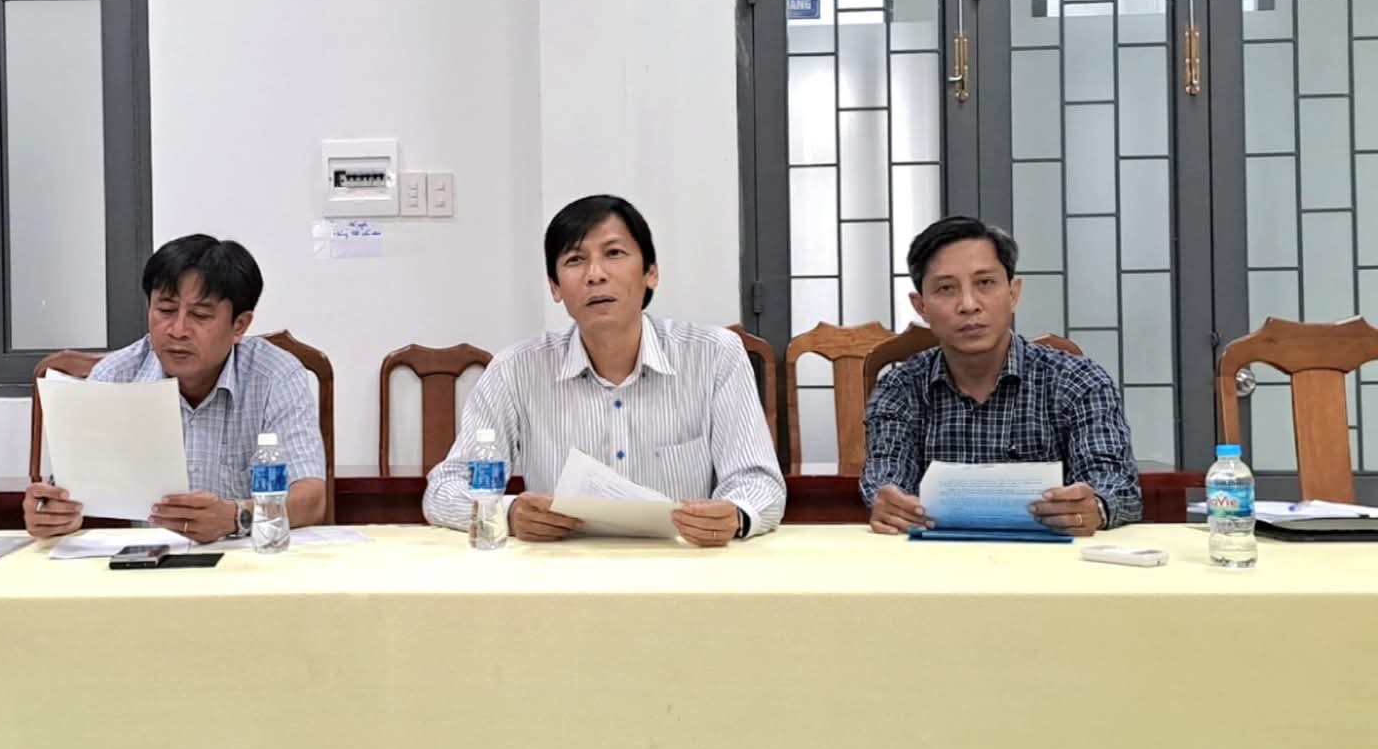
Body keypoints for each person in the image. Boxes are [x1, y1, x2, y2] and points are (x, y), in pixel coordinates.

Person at [422, 195, 785, 546]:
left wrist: (736, 515)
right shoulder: (515, 370)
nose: (595, 274)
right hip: (561, 569)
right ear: (555, 287)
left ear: (651, 273)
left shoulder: (714, 356)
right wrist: (508, 512)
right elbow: (444, 489)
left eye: (614, 253)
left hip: (682, 564)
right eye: (575, 260)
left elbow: (759, 482)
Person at [23, 235, 328, 543]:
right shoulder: (116, 377)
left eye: (200, 315)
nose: (178, 330)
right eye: (166, 310)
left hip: (249, 558)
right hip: (149, 562)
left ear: (239, 326)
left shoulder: (275, 376)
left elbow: (311, 499)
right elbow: (63, 494)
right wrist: (50, 512)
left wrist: (235, 517)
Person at [862, 216, 1142, 536]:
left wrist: (1096, 507)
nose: (968, 305)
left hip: (1053, 562)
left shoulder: (1079, 381)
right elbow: (886, 479)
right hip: (935, 561)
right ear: (921, 306)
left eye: (985, 283)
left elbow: (1117, 485)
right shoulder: (900, 389)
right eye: (946, 288)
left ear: (1013, 293)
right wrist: (890, 505)